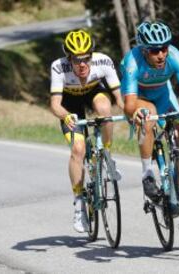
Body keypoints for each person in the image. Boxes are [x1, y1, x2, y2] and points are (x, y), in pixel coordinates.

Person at [120, 21, 179, 209]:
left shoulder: (175, 56)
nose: (161, 55)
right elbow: (128, 105)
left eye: (163, 49)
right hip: (139, 96)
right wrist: (136, 112)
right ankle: (148, 174)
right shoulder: (132, 62)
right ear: (144, 50)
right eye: (154, 51)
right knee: (148, 115)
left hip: (163, 93)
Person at [50, 29, 124, 233]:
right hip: (70, 104)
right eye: (76, 60)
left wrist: (133, 113)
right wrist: (66, 116)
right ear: (68, 58)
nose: (82, 64)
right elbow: (55, 104)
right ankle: (79, 203)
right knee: (78, 149)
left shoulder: (103, 62)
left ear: (92, 55)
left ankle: (107, 154)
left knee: (104, 109)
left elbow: (120, 98)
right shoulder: (59, 67)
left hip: (94, 93)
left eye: (86, 58)